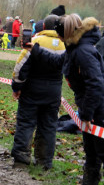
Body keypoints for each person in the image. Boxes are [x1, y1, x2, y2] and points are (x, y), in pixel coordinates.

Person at [29, 14, 104, 184]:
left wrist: (87, 113)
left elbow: (96, 84)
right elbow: (57, 61)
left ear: (66, 33)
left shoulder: (83, 52)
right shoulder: (73, 49)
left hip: (98, 109)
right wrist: (35, 50)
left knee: (100, 150)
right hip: (89, 108)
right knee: (91, 151)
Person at [11, 15, 65, 170]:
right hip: (53, 93)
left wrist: (16, 87)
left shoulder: (34, 43)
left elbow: (20, 68)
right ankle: (44, 162)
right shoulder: (65, 45)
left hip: (31, 91)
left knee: (26, 124)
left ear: (43, 27)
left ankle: (21, 158)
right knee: (48, 127)